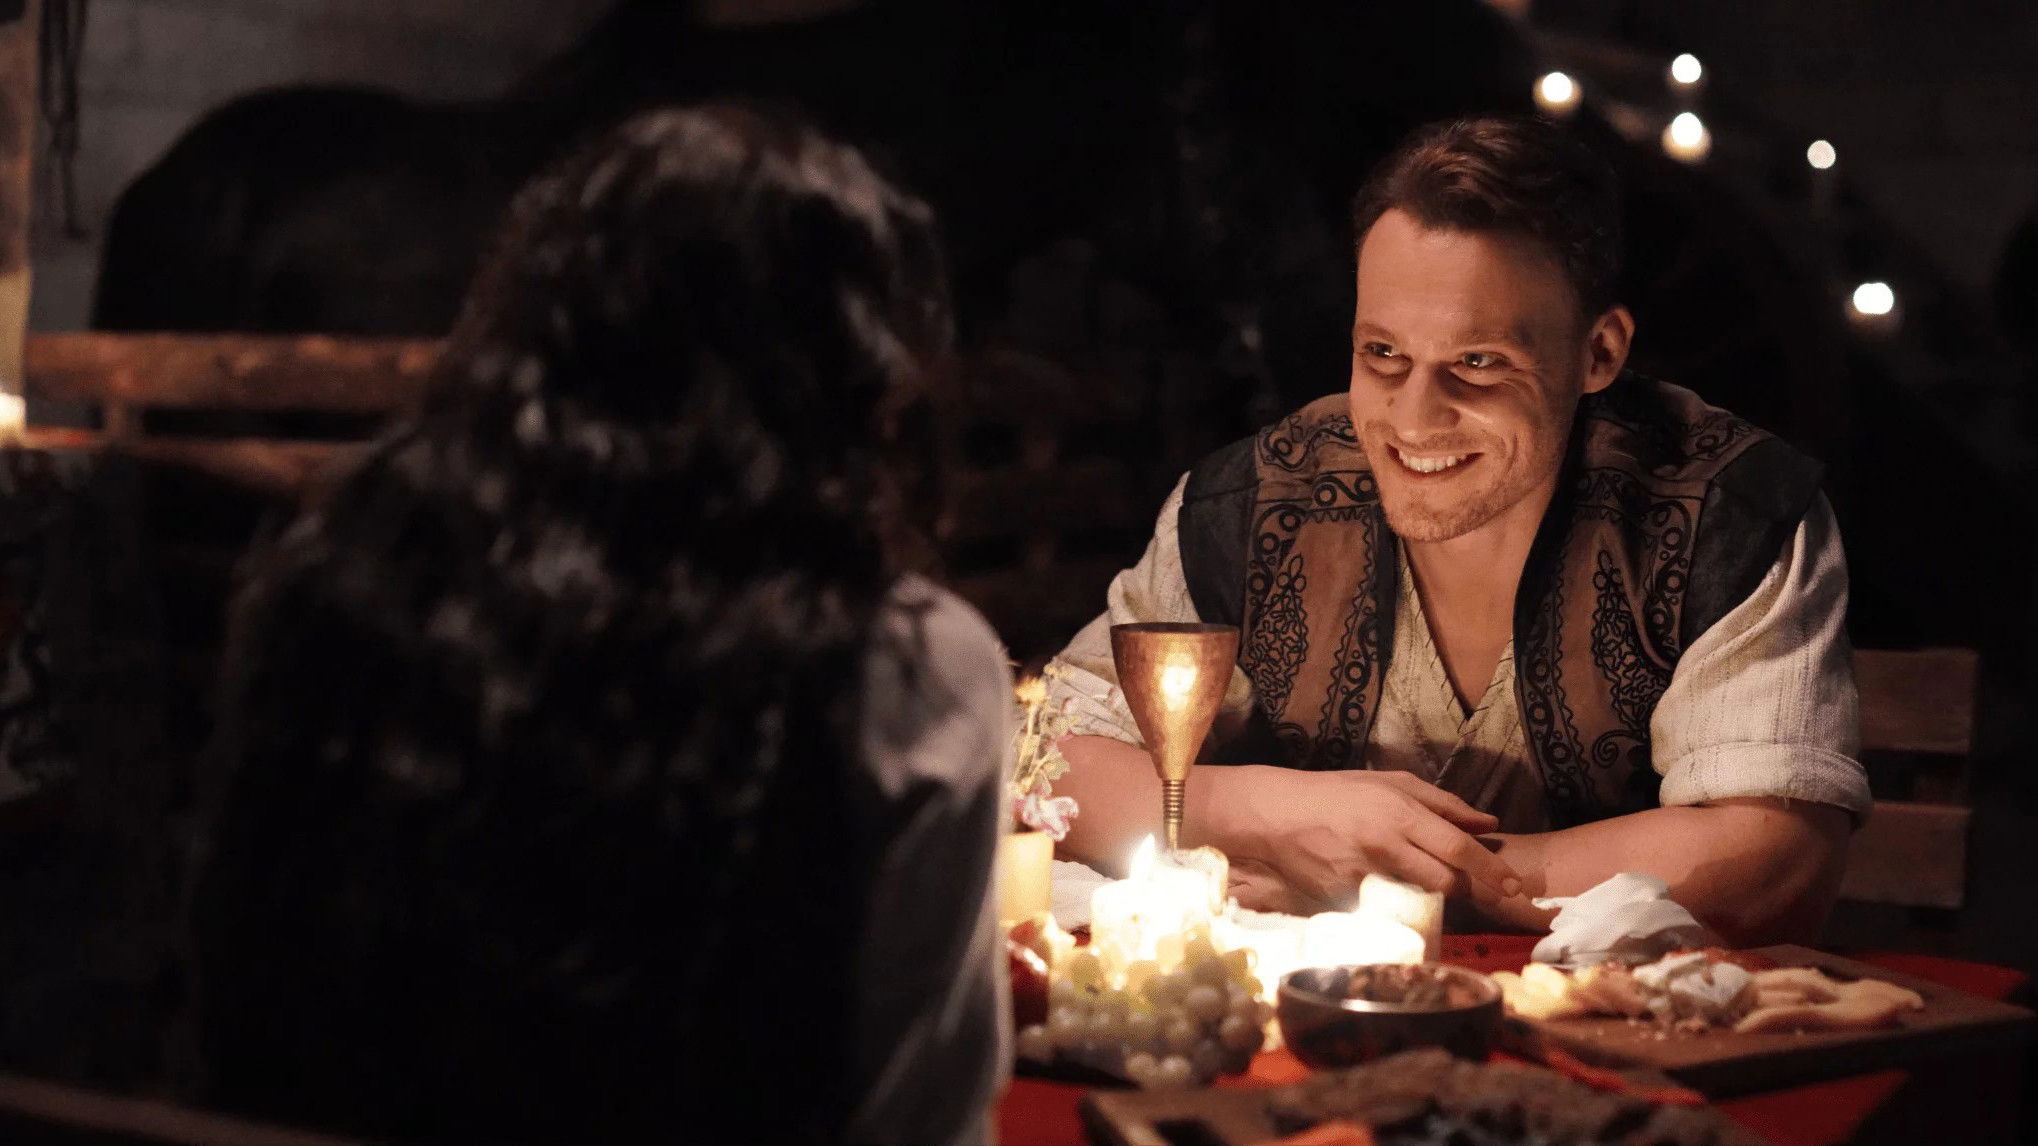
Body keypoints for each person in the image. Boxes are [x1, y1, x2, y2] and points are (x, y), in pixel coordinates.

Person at [183, 106, 1010, 1146]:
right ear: (852, 367)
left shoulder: (343, 584)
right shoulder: (905, 667)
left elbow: (239, 1010)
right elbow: (918, 1120)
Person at [1047, 115, 1868, 946]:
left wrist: (1386, 886)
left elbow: (1776, 863)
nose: (1413, 419)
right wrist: (1266, 812)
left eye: (1478, 362)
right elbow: (1053, 761)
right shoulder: (1249, 505)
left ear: (1599, 353)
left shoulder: (1726, 513)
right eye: (1383, 355)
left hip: (1619, 1018)